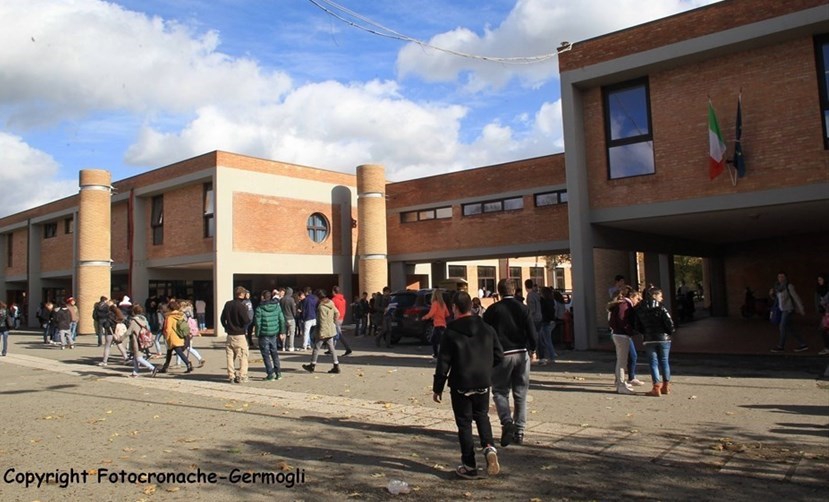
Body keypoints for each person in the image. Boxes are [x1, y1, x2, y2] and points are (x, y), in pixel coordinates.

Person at [433, 291, 504, 479]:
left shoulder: (451, 331)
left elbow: (443, 362)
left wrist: (437, 387)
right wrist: (486, 368)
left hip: (460, 382)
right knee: (482, 416)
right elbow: (499, 355)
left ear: (455, 308)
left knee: (464, 423)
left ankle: (469, 464)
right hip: (482, 380)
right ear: (471, 306)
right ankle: (489, 447)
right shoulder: (487, 328)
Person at [483, 279, 537, 447]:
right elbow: (532, 331)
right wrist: (533, 349)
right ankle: (520, 431)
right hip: (521, 352)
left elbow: (485, 333)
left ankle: (507, 421)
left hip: (501, 354)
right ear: (514, 290)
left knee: (499, 391)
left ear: (498, 291)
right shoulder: (523, 308)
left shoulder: (492, 310)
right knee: (521, 393)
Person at [634, 288, 676, 396]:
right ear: (654, 295)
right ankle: (666, 386)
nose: (662, 298)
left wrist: (645, 332)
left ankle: (656, 387)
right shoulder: (661, 308)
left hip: (648, 339)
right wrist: (668, 332)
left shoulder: (639, 309)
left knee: (653, 363)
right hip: (663, 339)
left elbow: (637, 325)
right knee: (664, 361)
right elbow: (670, 324)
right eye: (660, 295)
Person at [607, 286, 642, 394]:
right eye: (637, 298)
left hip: (619, 334)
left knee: (622, 361)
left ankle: (620, 383)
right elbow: (622, 320)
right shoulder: (625, 305)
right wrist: (629, 330)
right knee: (622, 362)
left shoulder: (622, 304)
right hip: (621, 335)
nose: (637, 301)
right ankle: (621, 385)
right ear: (631, 297)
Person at [302, 289, 341, 374]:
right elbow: (337, 313)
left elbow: (322, 321)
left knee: (316, 348)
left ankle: (312, 365)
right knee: (332, 349)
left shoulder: (321, 307)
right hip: (330, 329)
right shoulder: (331, 303)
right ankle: (336, 365)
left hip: (323, 331)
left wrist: (322, 333)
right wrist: (333, 322)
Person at [770, 272, 807, 352]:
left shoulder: (789, 286)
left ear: (786, 277)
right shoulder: (777, 287)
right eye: (779, 277)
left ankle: (780, 346)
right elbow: (777, 300)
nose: (780, 278)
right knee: (790, 328)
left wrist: (801, 308)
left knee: (782, 326)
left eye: (782, 277)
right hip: (781, 309)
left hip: (788, 309)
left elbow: (795, 297)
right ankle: (802, 343)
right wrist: (772, 295)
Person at [221, 286, 251, 383]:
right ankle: (242, 375)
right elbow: (246, 320)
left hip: (230, 334)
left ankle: (231, 375)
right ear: (242, 294)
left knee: (230, 356)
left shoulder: (228, 304)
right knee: (243, 355)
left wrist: (226, 327)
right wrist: (243, 327)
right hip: (239, 334)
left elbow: (222, 318)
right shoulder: (241, 306)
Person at [254, 290, 285, 381]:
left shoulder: (259, 308)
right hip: (273, 333)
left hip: (264, 334)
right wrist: (282, 331)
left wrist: (257, 333)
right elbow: (282, 320)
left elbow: (258, 323)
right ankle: (278, 372)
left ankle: (270, 373)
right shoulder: (277, 307)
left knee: (266, 354)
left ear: (263, 297)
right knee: (274, 353)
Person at [158, 300, 194, 374]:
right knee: (169, 353)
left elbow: (168, 329)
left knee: (179, 352)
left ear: (169, 308)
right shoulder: (179, 315)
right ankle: (165, 367)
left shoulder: (170, 317)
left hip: (172, 338)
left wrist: (166, 337)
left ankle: (188, 363)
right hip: (179, 337)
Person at [126, 304, 158, 377]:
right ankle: (135, 372)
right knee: (136, 357)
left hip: (136, 341)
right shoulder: (144, 319)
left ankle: (152, 368)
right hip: (143, 340)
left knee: (138, 358)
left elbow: (128, 332)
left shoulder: (134, 321)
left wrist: (119, 339)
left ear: (133, 312)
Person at [422, 289, 450, 362]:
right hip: (443, 325)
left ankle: (437, 356)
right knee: (439, 341)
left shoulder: (435, 303)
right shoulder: (443, 304)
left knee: (435, 341)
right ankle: (439, 356)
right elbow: (447, 314)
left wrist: (425, 317)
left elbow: (431, 313)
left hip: (437, 325)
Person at [537, 287, 558, 366]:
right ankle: (552, 356)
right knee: (547, 339)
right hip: (549, 321)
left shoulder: (543, 301)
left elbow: (542, 310)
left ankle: (550, 356)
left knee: (545, 340)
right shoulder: (551, 301)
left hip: (544, 321)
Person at [330, 285, 353, 356]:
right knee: (336, 333)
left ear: (333, 291)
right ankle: (331, 349)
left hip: (336, 318)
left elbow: (332, 310)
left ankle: (347, 348)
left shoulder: (333, 300)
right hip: (341, 318)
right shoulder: (343, 300)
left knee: (338, 334)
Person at [815, 273, 829, 355]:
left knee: (823, 330)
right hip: (826, 313)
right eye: (818, 280)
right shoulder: (819, 290)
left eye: (821, 279)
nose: (819, 281)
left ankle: (827, 347)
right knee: (824, 330)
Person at [280, 287, 298, 352]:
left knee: (284, 333)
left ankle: (283, 346)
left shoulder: (281, 299)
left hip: (283, 318)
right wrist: (295, 315)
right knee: (291, 333)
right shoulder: (291, 299)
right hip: (291, 318)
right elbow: (293, 309)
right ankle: (291, 346)